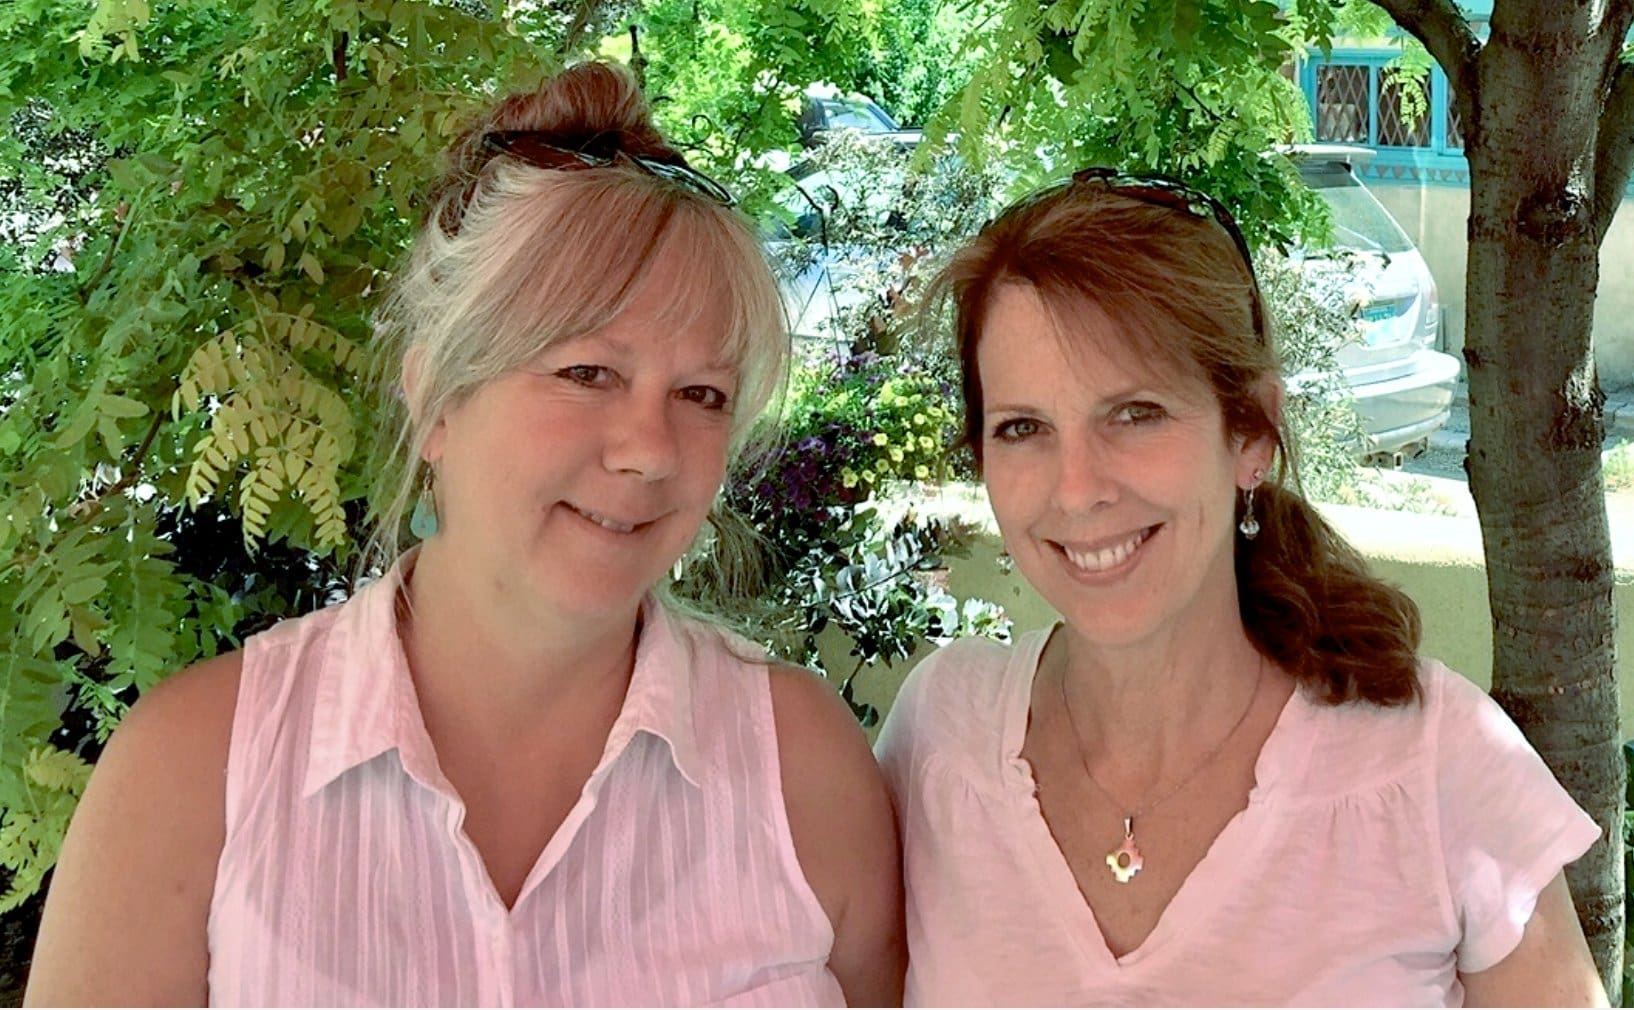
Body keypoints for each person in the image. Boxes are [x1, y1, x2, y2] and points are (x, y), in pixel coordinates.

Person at [28, 62, 903, 1007]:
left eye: (702, 395)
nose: (652, 451)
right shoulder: (194, 772)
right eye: (586, 373)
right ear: (438, 397)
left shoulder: (804, 770)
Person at [876, 168, 1605, 1006]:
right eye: (1023, 428)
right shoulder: (942, 738)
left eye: (1135, 412)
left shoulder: (1436, 768)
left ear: (1250, 432)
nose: (1077, 490)